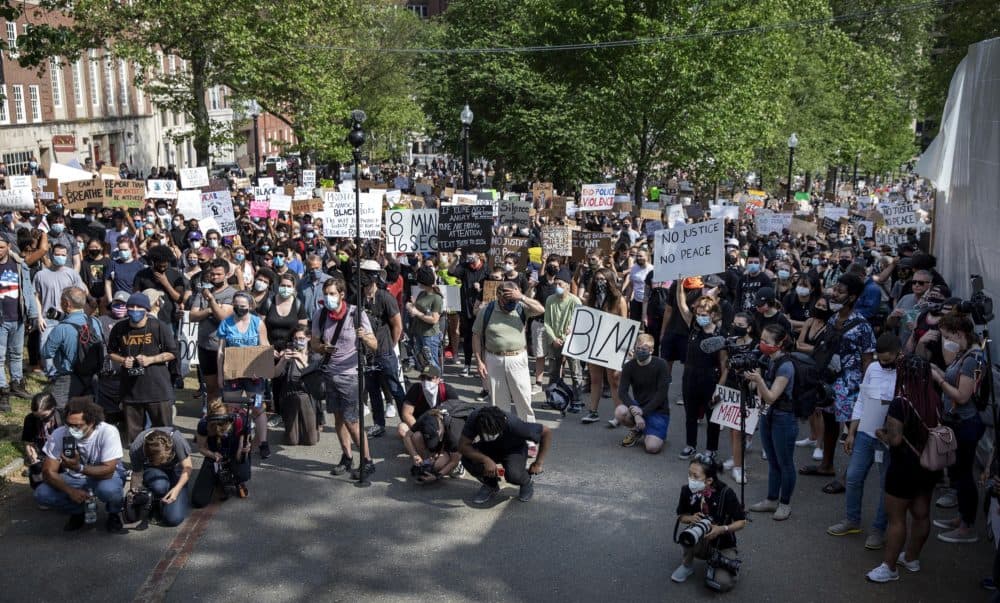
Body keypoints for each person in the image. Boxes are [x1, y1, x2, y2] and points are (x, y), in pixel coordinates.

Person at [866, 355, 942, 583]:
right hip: (928, 465)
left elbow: (895, 439)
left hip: (904, 467)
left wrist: (881, 433)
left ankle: (889, 567)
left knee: (896, 518)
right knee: (921, 513)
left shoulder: (901, 402)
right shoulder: (934, 398)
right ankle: (911, 558)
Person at [801, 274, 876, 494]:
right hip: (831, 382)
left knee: (853, 429)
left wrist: (865, 391)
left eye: (840, 291)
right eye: (835, 289)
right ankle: (826, 465)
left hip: (851, 386)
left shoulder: (862, 326)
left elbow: (867, 360)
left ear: (852, 297)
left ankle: (847, 477)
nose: (834, 293)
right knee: (830, 421)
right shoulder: (833, 319)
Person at [828, 332, 900, 549]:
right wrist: (851, 432)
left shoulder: (905, 374)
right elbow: (862, 398)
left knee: (884, 485)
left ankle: (879, 529)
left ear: (899, 354)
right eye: (881, 359)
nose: (884, 364)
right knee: (853, 477)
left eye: (888, 360)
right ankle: (852, 520)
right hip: (865, 434)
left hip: (888, 440)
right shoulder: (872, 368)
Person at [311, 277, 378, 481]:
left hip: (350, 376)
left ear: (341, 294)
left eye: (332, 294)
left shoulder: (356, 314)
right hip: (330, 373)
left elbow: (375, 344)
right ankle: (347, 457)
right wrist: (322, 347)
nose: (328, 297)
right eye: (326, 294)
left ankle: (367, 461)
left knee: (352, 421)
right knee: (338, 418)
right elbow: (314, 343)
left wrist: (364, 337)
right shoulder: (320, 314)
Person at [929, 312, 986, 544]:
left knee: (964, 475)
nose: (946, 341)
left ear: (959, 333)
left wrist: (938, 379)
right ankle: (962, 516)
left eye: (947, 336)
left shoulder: (972, 359)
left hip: (966, 423)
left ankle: (967, 526)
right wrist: (940, 372)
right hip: (958, 423)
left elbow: (962, 396)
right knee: (959, 472)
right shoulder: (964, 355)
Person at [33, 398, 127, 534]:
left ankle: (114, 513)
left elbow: (108, 471)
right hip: (74, 478)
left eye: (78, 425)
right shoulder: (60, 434)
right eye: (69, 424)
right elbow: (48, 472)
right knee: (42, 493)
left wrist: (78, 467)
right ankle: (78, 511)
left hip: (103, 477)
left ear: (92, 422)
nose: (72, 429)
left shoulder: (108, 432)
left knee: (109, 490)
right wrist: (70, 491)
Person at [106, 292, 178, 443]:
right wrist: (123, 360)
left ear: (146, 309)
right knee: (134, 436)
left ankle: (166, 464)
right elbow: (111, 352)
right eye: (131, 306)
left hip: (157, 390)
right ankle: (137, 465)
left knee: (164, 434)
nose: (134, 309)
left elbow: (173, 353)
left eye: (139, 306)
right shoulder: (119, 328)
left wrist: (151, 359)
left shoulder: (159, 327)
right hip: (131, 391)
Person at [472, 280, 545, 423]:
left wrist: (522, 297)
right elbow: (476, 335)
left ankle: (528, 437)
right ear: (499, 296)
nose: (511, 303)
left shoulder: (520, 306)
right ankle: (503, 436)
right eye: (508, 299)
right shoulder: (486, 310)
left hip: (517, 359)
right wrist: (479, 361)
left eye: (513, 298)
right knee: (498, 403)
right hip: (494, 359)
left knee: (523, 399)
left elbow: (541, 309)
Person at [745, 324, 798, 520]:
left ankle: (785, 503)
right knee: (773, 462)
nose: (763, 345)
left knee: (785, 462)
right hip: (768, 415)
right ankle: (771, 499)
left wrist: (758, 380)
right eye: (762, 340)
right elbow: (760, 392)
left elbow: (771, 396)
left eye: (767, 342)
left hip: (783, 418)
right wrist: (751, 380)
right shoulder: (766, 359)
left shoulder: (786, 366)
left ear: (780, 344)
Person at [671, 459, 747, 592]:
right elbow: (681, 515)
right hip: (701, 538)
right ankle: (687, 566)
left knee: (721, 583)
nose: (691, 479)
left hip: (723, 543)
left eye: (695, 476)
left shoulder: (725, 493)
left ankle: (726, 566)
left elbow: (742, 522)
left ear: (709, 480)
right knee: (688, 535)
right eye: (689, 474)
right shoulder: (686, 490)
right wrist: (690, 518)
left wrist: (723, 528)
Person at [675, 278, 728, 461]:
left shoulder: (719, 336)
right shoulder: (694, 327)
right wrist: (679, 285)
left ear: (713, 315)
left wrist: (719, 387)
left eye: (704, 313)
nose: (700, 315)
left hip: (710, 379)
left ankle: (711, 450)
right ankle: (690, 445)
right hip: (690, 376)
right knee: (690, 414)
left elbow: (724, 364)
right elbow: (682, 306)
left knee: (712, 416)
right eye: (698, 312)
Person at [458, 406, 552, 505]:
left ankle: (526, 482)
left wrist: (538, 463)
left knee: (513, 475)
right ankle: (490, 484)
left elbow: (546, 432)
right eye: (487, 433)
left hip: (514, 449)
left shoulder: (515, 425)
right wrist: (485, 460)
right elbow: (462, 446)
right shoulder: (476, 418)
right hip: (488, 448)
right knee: (467, 459)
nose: (491, 435)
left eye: (494, 433)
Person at [217, 291, 271, 459]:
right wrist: (220, 374)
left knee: (258, 407)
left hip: (254, 374)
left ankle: (263, 443)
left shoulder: (258, 323)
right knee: (233, 409)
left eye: (243, 307)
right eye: (236, 306)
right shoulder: (226, 323)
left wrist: (261, 369)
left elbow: (264, 347)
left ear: (250, 307)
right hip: (232, 373)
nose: (239, 309)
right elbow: (220, 351)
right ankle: (235, 441)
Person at [40, 287, 103, 407]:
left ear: (67, 304)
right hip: (93, 378)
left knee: (60, 413)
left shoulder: (61, 328)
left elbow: (46, 353)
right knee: (89, 414)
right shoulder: (95, 322)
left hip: (68, 379)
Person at [580, 268, 628, 424]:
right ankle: (593, 412)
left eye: (603, 279)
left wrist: (623, 348)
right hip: (595, 342)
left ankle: (618, 414)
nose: (599, 282)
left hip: (612, 343)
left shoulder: (618, 300)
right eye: (597, 279)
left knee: (613, 379)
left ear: (610, 281)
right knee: (595, 379)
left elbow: (625, 324)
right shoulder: (591, 299)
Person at [188, 259, 235, 404]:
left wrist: (210, 300)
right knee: (211, 387)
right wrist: (210, 310)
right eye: (212, 274)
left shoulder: (232, 293)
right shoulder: (202, 291)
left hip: (224, 348)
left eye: (218, 274)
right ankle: (213, 417)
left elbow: (223, 317)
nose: (214, 277)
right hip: (205, 347)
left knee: (227, 387)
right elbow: (192, 316)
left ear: (227, 274)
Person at [614, 334, 671, 453]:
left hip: (658, 411)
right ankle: (638, 429)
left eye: (644, 349)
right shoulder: (629, 366)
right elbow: (622, 392)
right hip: (638, 407)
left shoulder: (661, 365)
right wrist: (637, 414)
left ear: (651, 350)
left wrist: (643, 412)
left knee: (652, 448)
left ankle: (652, 432)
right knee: (620, 411)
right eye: (638, 348)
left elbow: (662, 394)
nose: (640, 351)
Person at [0, 238, 38, 410]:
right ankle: (3, 391)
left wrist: (32, 314)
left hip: (18, 317)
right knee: (0, 358)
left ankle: (17, 383)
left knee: (16, 354)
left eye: (1, 247)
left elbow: (28, 290)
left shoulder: (19, 265)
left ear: (8, 247)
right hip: (1, 319)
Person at [127, 427, 193, 527]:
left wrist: (177, 489)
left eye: (168, 458)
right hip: (154, 471)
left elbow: (188, 467)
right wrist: (133, 493)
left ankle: (173, 494)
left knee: (173, 519)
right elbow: (137, 474)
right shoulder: (136, 448)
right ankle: (155, 501)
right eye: (162, 460)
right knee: (159, 486)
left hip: (177, 470)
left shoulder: (176, 439)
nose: (165, 461)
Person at [193, 399, 252, 506]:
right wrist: (212, 454)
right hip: (214, 455)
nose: (220, 431)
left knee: (243, 474)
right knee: (198, 501)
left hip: (234, 453)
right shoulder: (203, 424)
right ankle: (218, 480)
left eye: (223, 428)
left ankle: (237, 480)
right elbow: (201, 448)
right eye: (215, 428)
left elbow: (239, 455)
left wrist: (244, 451)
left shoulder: (241, 421)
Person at [721, 312, 757, 484]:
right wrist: (719, 388)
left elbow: (759, 373)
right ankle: (736, 460)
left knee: (739, 431)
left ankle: (739, 467)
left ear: (749, 328)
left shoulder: (756, 346)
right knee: (731, 427)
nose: (736, 327)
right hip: (731, 388)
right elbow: (726, 367)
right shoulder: (731, 342)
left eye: (740, 325)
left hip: (748, 391)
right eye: (734, 324)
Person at [543, 274, 583, 411]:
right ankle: (553, 399)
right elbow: (547, 322)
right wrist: (553, 338)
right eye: (555, 284)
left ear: (567, 285)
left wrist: (569, 332)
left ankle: (577, 400)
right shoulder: (550, 300)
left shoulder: (575, 301)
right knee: (553, 371)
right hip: (554, 341)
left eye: (560, 284)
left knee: (575, 371)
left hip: (571, 341)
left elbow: (581, 322)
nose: (557, 287)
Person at [448, 251, 488, 377]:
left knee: (482, 339)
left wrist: (481, 289)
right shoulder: (464, 266)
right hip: (466, 309)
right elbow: (451, 272)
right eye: (469, 254)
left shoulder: (486, 269)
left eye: (473, 254)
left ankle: (481, 366)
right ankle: (467, 365)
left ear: (479, 255)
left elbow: (493, 286)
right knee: (468, 338)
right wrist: (455, 258)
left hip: (481, 308)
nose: (470, 257)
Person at [397, 365, 459, 440]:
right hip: (418, 424)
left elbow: (457, 414)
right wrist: (420, 429)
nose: (426, 382)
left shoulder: (447, 390)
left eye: (429, 378)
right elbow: (406, 413)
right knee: (402, 429)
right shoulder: (416, 389)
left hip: (440, 425)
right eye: (423, 378)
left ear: (438, 379)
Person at [21, 392, 62, 489]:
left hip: (62, 455)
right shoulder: (30, 419)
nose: (40, 419)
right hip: (42, 455)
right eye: (37, 416)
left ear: (53, 408)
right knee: (38, 480)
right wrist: (33, 459)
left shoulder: (64, 416)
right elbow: (29, 443)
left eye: (44, 416)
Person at [407, 265, 444, 371]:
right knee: (422, 363)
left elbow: (434, 319)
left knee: (431, 363)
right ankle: (426, 384)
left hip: (429, 335)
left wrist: (416, 312)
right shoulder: (422, 293)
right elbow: (417, 310)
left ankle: (436, 385)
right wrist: (412, 307)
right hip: (419, 332)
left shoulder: (436, 298)